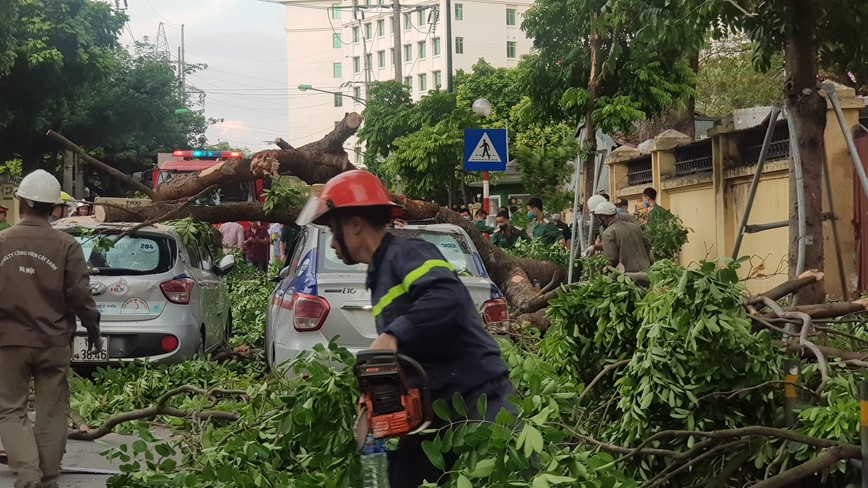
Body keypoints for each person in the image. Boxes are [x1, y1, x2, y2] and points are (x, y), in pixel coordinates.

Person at [296, 170, 513, 488]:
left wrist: (393, 335)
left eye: (332, 228)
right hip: (436, 411)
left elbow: (447, 297)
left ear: (355, 224)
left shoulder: (408, 253)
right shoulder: (380, 271)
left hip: (479, 401)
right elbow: (421, 342)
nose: (332, 240)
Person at [0, 170, 101, 488]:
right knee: (53, 411)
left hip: (9, 342)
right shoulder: (67, 245)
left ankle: (28, 474)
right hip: (54, 342)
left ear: (21, 202)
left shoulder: (2, 242)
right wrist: (92, 326)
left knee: (9, 409)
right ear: (53, 208)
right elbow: (80, 296)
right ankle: (47, 479)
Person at [591, 201, 651, 273]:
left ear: (603, 217)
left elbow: (612, 259)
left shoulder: (608, 233)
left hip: (627, 277)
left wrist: (606, 268)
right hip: (646, 272)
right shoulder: (634, 226)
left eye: (598, 217)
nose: (598, 221)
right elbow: (647, 245)